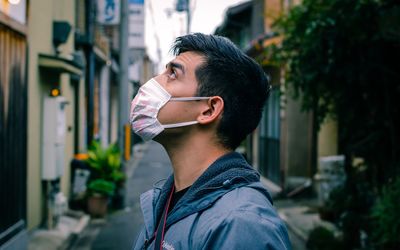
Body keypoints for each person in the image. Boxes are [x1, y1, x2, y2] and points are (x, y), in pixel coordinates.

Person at [130, 33, 291, 250]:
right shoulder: (168, 200)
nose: (153, 83)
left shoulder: (241, 225)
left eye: (173, 73)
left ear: (210, 109)